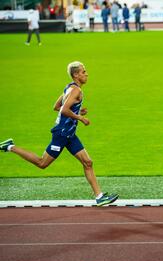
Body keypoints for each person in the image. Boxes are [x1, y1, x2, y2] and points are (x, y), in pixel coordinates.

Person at [0, 62, 119, 206]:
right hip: (62, 134)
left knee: (88, 162)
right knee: (42, 163)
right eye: (83, 71)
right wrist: (80, 118)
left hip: (69, 134)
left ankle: (99, 196)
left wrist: (77, 111)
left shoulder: (69, 87)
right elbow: (63, 110)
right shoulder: (76, 91)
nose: (86, 74)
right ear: (76, 75)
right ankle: (10, 147)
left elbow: (57, 106)